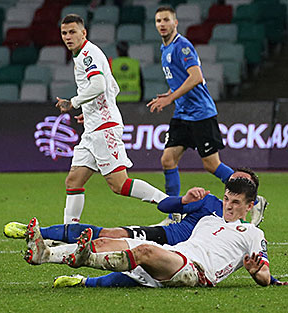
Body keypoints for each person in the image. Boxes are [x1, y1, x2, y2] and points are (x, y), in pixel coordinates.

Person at [24, 178, 287, 288]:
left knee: (144, 251)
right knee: (105, 241)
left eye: (236, 203)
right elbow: (168, 207)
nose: (228, 206)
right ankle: (44, 254)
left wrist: (257, 273)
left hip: (196, 271)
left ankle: (85, 259)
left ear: (249, 206)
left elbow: (264, 275)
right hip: (176, 256)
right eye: (227, 199)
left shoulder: (253, 232)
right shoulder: (207, 219)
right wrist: (184, 200)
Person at [54, 14, 167, 224]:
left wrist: (74, 102)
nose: (68, 37)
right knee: (73, 181)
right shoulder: (82, 55)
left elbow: (99, 85)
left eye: (72, 32)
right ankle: (69, 231)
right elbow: (113, 87)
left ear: (83, 33)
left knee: (119, 185)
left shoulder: (88, 54)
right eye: (64, 33)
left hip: (104, 128)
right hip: (93, 127)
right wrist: (89, 111)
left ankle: (172, 206)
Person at [146, 7, 234, 216]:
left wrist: (170, 98)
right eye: (158, 20)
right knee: (168, 159)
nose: (162, 24)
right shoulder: (164, 48)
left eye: (166, 20)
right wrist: (168, 93)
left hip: (200, 113)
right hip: (182, 114)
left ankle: (252, 197)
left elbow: (195, 77)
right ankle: (174, 214)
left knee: (212, 164)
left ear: (175, 23)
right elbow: (179, 80)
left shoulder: (182, 46)